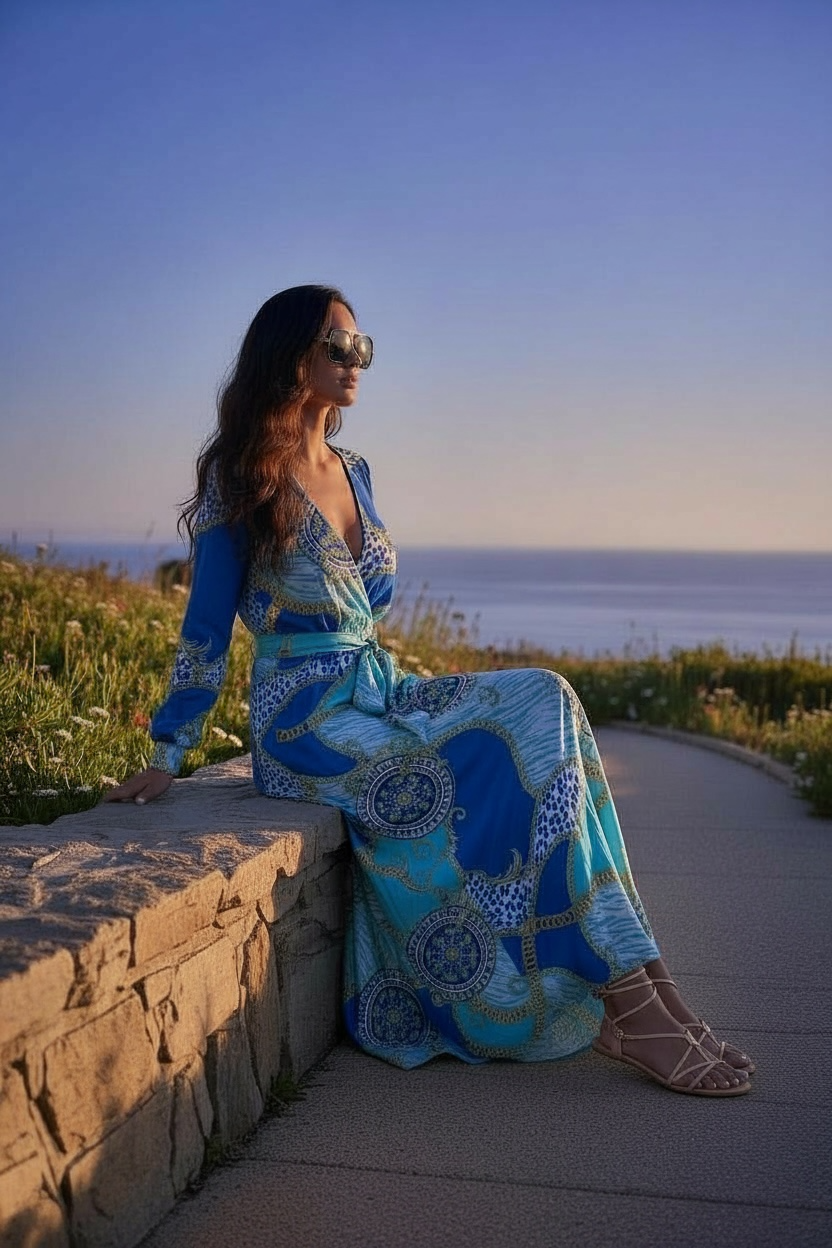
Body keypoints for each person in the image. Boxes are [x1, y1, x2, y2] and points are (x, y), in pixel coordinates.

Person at [105, 285, 754, 1096]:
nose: (355, 363)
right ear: (290, 359)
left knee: (545, 699)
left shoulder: (356, 468)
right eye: (337, 348)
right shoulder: (242, 480)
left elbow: (368, 608)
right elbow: (204, 630)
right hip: (308, 726)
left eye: (362, 347)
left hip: (377, 688)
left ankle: (654, 990)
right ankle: (637, 1010)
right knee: (492, 765)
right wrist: (169, 750)